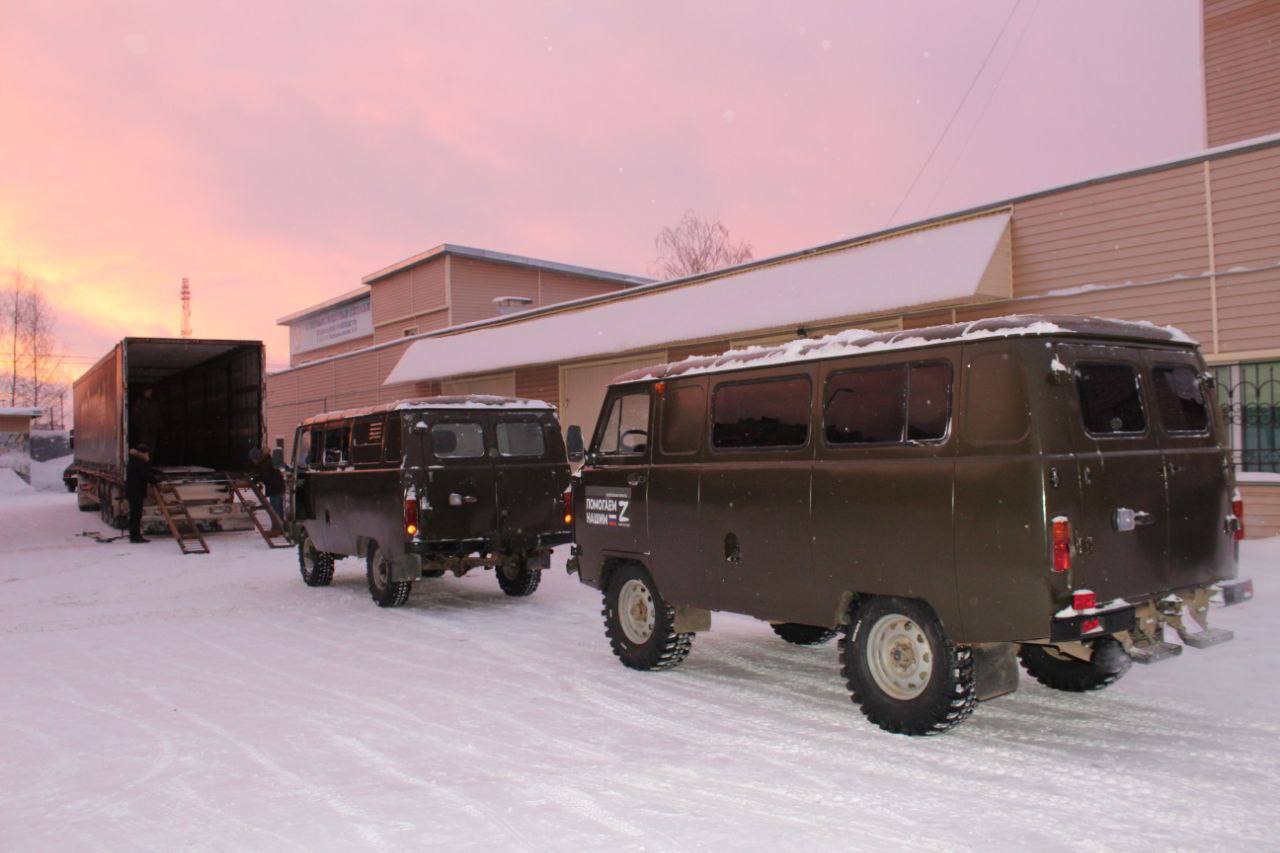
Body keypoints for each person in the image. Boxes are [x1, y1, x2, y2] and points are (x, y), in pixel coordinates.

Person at [125, 443, 158, 543]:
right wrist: (156, 481)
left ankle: (134, 535)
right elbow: (146, 475)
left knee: (134, 514)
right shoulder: (140, 462)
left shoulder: (133, 460)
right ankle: (135, 537)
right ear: (143, 453)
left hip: (132, 491)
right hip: (136, 492)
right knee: (136, 515)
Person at [249, 447, 285, 527]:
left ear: (257, 457)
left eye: (253, 459)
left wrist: (255, 479)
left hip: (275, 489)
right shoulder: (266, 461)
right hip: (276, 488)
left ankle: (279, 528)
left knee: (276, 511)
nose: (253, 462)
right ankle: (279, 527)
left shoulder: (266, 463)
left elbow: (265, 476)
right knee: (277, 510)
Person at [130, 387, 162, 459]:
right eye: (148, 391)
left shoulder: (154, 403)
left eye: (150, 391)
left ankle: (150, 463)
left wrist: (158, 426)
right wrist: (138, 427)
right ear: (144, 392)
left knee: (152, 448)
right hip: (143, 430)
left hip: (153, 429)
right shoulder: (139, 403)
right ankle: (143, 464)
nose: (149, 393)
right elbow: (134, 416)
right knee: (143, 448)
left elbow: (158, 415)